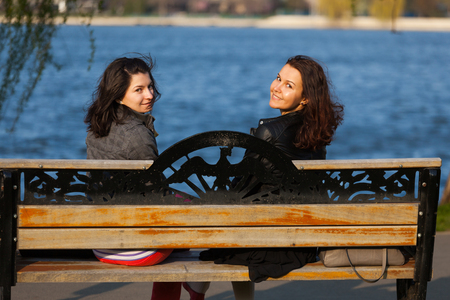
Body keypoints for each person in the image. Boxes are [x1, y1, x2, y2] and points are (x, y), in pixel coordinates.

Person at [200, 55, 344, 299]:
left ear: (306, 97)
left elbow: (241, 189)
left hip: (271, 242)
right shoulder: (316, 133)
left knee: (215, 245)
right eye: (279, 78)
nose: (276, 87)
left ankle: (197, 290)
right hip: (303, 242)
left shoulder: (270, 132)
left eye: (289, 85)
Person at [84, 55, 206, 300]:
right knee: (198, 215)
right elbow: (157, 195)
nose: (149, 94)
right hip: (134, 249)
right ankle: (197, 291)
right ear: (119, 95)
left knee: (184, 210)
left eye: (149, 87)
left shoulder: (98, 126)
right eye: (138, 89)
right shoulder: (138, 135)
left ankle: (194, 289)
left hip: (101, 242)